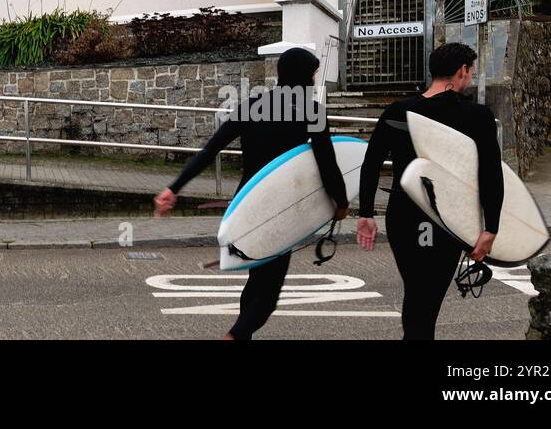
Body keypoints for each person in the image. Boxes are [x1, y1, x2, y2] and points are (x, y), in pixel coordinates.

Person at [154, 47, 348, 340]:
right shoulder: (312, 111)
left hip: (247, 202)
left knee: (258, 279)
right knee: (267, 296)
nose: (313, 79)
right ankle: (234, 337)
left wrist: (174, 188)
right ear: (302, 76)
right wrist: (341, 202)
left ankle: (242, 336)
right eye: (312, 74)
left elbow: (210, 150)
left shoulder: (253, 105)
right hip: (282, 209)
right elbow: (327, 164)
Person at [356, 41, 503, 340]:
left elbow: (370, 164)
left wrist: (367, 213)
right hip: (446, 217)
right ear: (462, 70)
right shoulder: (476, 116)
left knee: (416, 292)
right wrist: (491, 227)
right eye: (471, 71)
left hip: (403, 215)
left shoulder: (398, 110)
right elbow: (490, 173)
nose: (471, 77)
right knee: (429, 297)